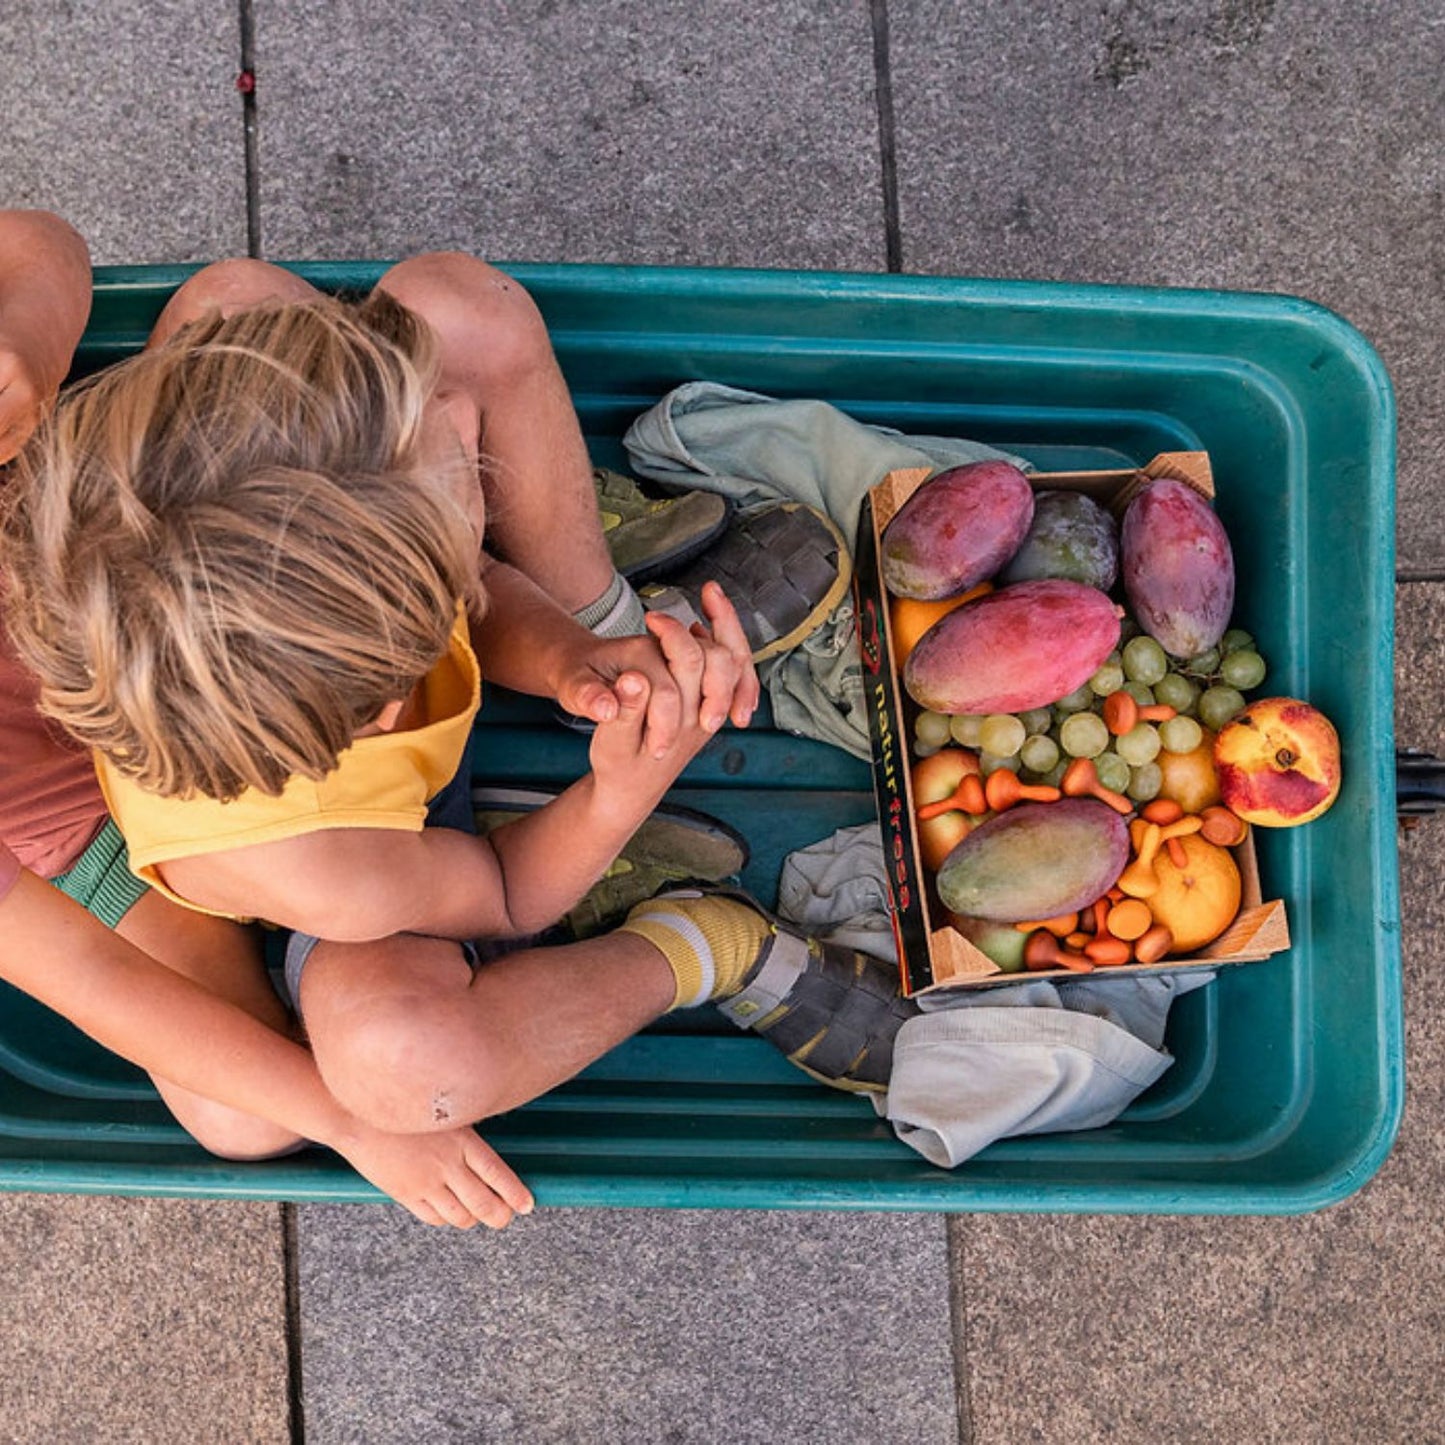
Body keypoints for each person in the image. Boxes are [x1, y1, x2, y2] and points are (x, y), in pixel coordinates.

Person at [3, 240, 915, 1168]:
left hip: (292, 688)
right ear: (388, 704)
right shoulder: (319, 865)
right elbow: (508, 890)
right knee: (405, 1067)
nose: (462, 412)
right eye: (459, 477)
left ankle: (607, 611)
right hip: (370, 843)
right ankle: (707, 940)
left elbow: (462, 581)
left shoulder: (316, 599)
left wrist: (586, 661)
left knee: (283, 299)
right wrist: (621, 791)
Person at [0, 210, 531, 1228]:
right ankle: (437, 547)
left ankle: (463, 551)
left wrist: (27, 334)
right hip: (85, 825)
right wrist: (353, 1123)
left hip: (162, 557)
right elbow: (78, 967)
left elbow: (38, 245)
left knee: (233, 299)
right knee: (239, 1118)